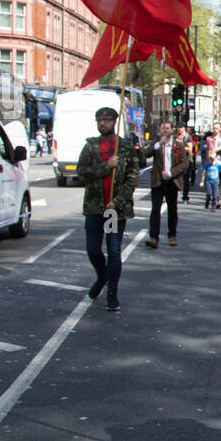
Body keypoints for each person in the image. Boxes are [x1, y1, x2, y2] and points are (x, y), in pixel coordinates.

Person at [79, 106, 140, 311]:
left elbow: (132, 178)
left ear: (115, 121)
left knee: (113, 251)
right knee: (93, 249)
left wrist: (118, 201)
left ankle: (112, 293)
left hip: (113, 210)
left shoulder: (125, 147)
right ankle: (102, 276)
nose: (102, 123)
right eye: (99, 120)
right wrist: (106, 166)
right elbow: (82, 172)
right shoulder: (90, 147)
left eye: (106, 119)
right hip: (96, 207)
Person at [145, 120, 188, 248]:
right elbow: (145, 153)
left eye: (167, 128)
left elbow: (184, 163)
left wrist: (170, 173)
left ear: (172, 130)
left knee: (172, 210)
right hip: (158, 181)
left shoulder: (178, 145)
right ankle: (154, 237)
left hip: (171, 181)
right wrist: (159, 144)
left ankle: (172, 235)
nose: (165, 130)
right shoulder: (156, 143)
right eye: (163, 128)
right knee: (155, 210)